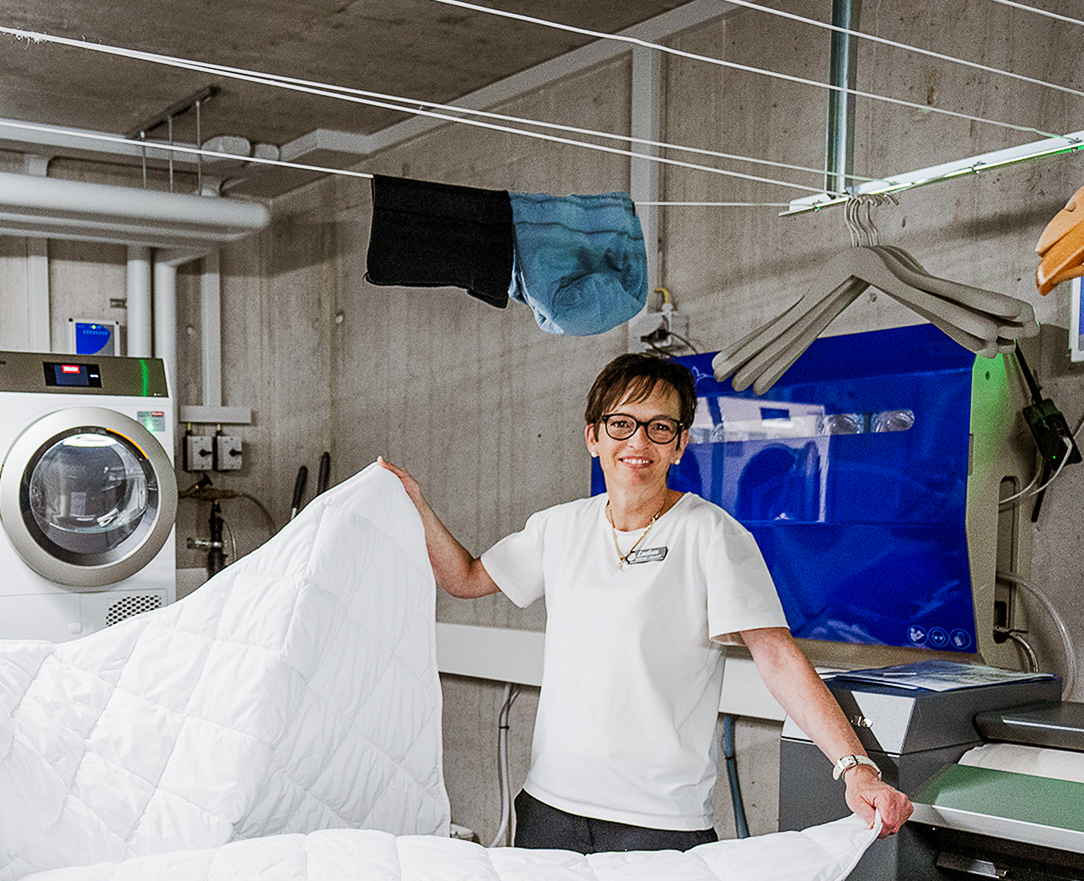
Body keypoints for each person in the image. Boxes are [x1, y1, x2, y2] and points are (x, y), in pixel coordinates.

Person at [382, 352, 911, 852]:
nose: (639, 440)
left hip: (660, 822)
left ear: (679, 444)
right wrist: (416, 505)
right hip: (549, 807)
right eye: (622, 423)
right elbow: (467, 578)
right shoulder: (558, 527)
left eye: (660, 427)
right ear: (594, 437)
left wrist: (855, 769)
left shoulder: (710, 534)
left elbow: (778, 656)